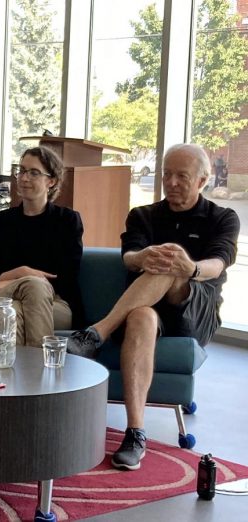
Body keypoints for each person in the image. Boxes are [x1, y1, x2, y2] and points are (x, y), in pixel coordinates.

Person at [67, 143, 240, 471]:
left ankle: (97, 333)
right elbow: (128, 255)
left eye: (182, 176)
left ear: (202, 181)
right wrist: (141, 257)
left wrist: (188, 267)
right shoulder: (143, 215)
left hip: (195, 308)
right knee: (142, 316)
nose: (171, 182)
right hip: (146, 308)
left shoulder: (223, 218)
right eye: (167, 174)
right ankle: (135, 433)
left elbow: (219, 263)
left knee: (171, 259)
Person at [0, 146, 84, 347]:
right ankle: (40, 374)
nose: (24, 178)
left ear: (51, 181)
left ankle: (11, 377)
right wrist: (23, 273)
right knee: (22, 296)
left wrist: (13, 279)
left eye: (34, 173)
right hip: (7, 298)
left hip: (56, 303)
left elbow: (66, 278)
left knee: (13, 312)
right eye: (22, 170)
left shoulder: (67, 220)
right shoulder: (1, 221)